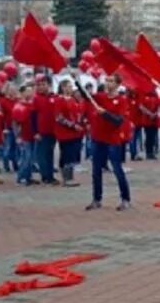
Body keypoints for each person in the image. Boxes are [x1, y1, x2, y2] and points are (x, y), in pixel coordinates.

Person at [86, 74, 132, 211]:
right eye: (107, 80)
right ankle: (96, 199)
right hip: (98, 137)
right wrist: (79, 87)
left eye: (111, 81)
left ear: (118, 84)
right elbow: (85, 97)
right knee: (96, 170)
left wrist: (105, 113)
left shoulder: (122, 100)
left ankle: (125, 198)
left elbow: (118, 121)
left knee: (117, 169)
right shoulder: (100, 97)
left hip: (113, 139)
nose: (108, 83)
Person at [54, 79, 83, 187]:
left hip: (74, 132)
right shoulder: (59, 100)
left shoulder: (72, 100)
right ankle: (66, 178)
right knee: (66, 154)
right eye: (69, 86)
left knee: (72, 154)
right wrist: (72, 125)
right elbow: (59, 117)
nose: (71, 89)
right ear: (63, 87)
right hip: (64, 132)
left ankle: (70, 176)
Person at [32, 77, 59, 185]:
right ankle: (45, 176)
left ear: (48, 85)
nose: (41, 87)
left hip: (52, 130)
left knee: (50, 154)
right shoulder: (36, 99)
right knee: (42, 155)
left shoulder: (53, 97)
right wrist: (36, 132)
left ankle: (50, 175)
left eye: (43, 84)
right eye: (39, 85)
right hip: (42, 131)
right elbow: (33, 116)